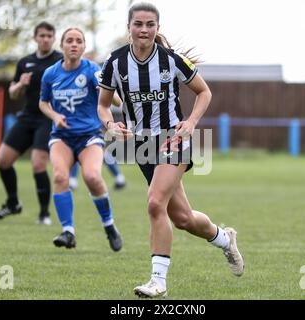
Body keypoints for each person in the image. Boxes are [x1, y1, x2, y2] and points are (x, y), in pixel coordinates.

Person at [98, 2, 244, 298]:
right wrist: (110, 127)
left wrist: (190, 123)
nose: (144, 29)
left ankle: (158, 282)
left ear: (157, 28)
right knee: (184, 218)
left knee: (154, 204)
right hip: (141, 146)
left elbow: (204, 92)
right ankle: (225, 239)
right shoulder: (115, 63)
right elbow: (103, 105)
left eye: (150, 24)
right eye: (138, 24)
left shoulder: (171, 60)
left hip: (174, 140)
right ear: (128, 28)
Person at [39, 27, 122, 251]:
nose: (74, 44)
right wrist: (55, 115)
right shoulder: (50, 74)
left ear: (84, 46)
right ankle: (68, 232)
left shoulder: (92, 70)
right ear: (62, 46)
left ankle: (109, 225)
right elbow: (43, 103)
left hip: (89, 135)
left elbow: (116, 102)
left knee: (92, 177)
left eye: (78, 41)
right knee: (59, 177)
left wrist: (104, 88)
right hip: (62, 137)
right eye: (69, 41)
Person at [0, 22, 63, 225]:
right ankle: (12, 203)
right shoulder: (25, 62)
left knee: (38, 163)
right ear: (35, 38)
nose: (45, 39)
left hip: (48, 118)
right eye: (42, 35)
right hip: (27, 117)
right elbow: (13, 93)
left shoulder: (60, 61)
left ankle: (44, 214)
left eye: (49, 35)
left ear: (54, 38)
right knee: (3, 161)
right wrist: (21, 83)